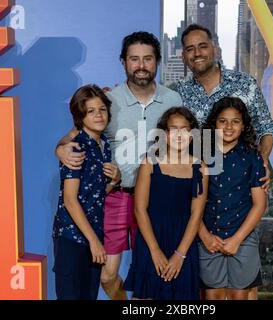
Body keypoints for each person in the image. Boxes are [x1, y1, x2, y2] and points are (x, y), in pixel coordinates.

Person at [55, 32, 183, 299]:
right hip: (115, 197)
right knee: (106, 275)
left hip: (154, 201)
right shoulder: (108, 101)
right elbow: (73, 135)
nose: (141, 65)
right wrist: (61, 149)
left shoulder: (173, 100)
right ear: (123, 62)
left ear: (157, 61)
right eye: (134, 59)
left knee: (149, 275)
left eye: (148, 59)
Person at [177, 23, 273, 192]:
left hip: (239, 187)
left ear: (214, 50)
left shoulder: (245, 84)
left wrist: (262, 162)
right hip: (193, 187)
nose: (197, 53)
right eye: (190, 49)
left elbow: (267, 127)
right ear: (183, 56)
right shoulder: (177, 92)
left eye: (203, 46)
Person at [124, 107, 208, 300]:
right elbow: (139, 209)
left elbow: (196, 214)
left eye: (185, 129)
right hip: (151, 238)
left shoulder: (200, 166)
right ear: (164, 134)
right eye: (173, 129)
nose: (179, 135)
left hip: (183, 242)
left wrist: (181, 254)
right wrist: (154, 250)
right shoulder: (149, 163)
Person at [52, 84, 121, 300]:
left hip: (94, 233)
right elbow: (70, 200)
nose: (98, 115)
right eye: (91, 111)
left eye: (102, 109)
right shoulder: (75, 148)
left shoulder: (104, 145)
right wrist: (93, 241)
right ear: (80, 116)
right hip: (72, 237)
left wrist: (115, 181)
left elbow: (95, 193)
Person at [198, 97, 267, 300]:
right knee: (212, 296)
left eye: (235, 121)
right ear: (214, 124)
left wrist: (237, 240)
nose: (229, 126)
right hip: (208, 237)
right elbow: (189, 202)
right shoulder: (199, 155)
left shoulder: (252, 157)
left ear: (243, 125)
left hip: (242, 237)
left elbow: (259, 204)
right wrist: (205, 236)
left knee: (240, 295)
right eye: (223, 121)